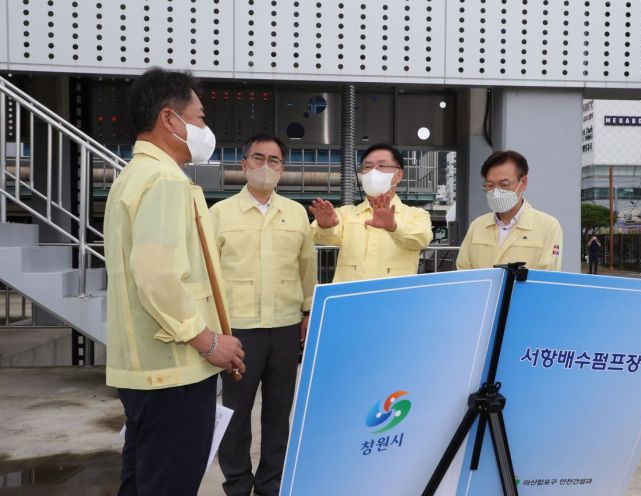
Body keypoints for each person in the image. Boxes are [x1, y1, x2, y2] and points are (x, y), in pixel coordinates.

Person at [104, 68, 246, 496]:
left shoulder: (134, 176)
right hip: (175, 375)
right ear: (170, 119)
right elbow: (158, 277)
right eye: (199, 118)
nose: (205, 129)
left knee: (143, 481)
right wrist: (209, 341)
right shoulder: (164, 181)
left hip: (148, 374)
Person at [211, 133, 317, 496]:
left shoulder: (296, 213)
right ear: (243, 165)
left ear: (282, 169)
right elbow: (207, 273)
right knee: (236, 414)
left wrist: (307, 310)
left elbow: (307, 267)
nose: (265, 166)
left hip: (286, 329)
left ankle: (270, 483)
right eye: (258, 158)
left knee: (278, 412)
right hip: (238, 329)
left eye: (273, 160)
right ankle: (238, 484)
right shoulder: (219, 214)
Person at [309, 143, 433, 282]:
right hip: (351, 298)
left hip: (396, 298)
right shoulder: (346, 213)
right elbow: (321, 237)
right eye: (368, 167)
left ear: (398, 175)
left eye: (382, 165)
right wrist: (326, 226)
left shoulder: (416, 214)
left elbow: (422, 239)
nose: (374, 172)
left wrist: (393, 227)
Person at [456, 150, 563, 271]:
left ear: (523, 183)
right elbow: (463, 270)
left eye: (504, 184)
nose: (496, 192)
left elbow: (546, 278)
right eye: (490, 185)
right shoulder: (477, 226)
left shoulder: (548, 227)